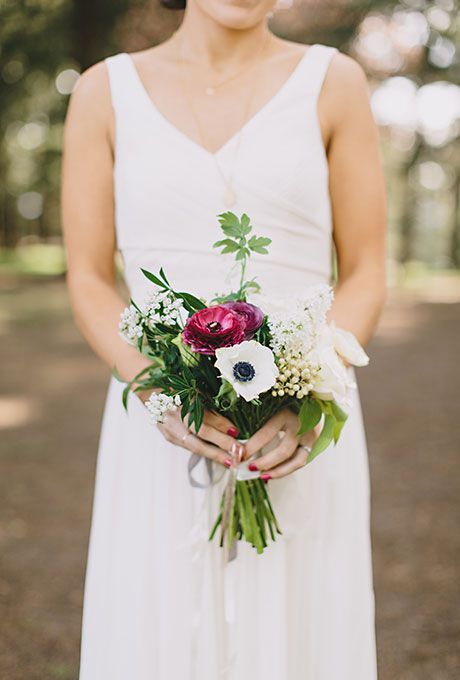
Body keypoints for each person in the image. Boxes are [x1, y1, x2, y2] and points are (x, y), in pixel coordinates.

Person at [61, 0, 387, 677]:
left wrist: (310, 381)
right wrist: (156, 386)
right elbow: (89, 277)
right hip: (157, 426)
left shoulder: (335, 82)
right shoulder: (103, 92)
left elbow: (365, 268)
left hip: (298, 428)